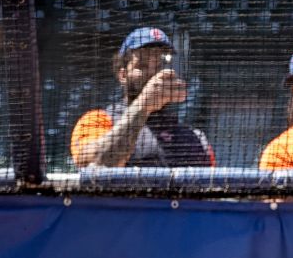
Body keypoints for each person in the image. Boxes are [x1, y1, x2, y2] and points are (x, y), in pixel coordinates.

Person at [71, 27, 214, 168]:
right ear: (123, 75)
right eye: (142, 65)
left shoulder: (195, 138)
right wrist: (144, 105)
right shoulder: (96, 121)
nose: (153, 73)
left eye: (159, 65)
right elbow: (97, 164)